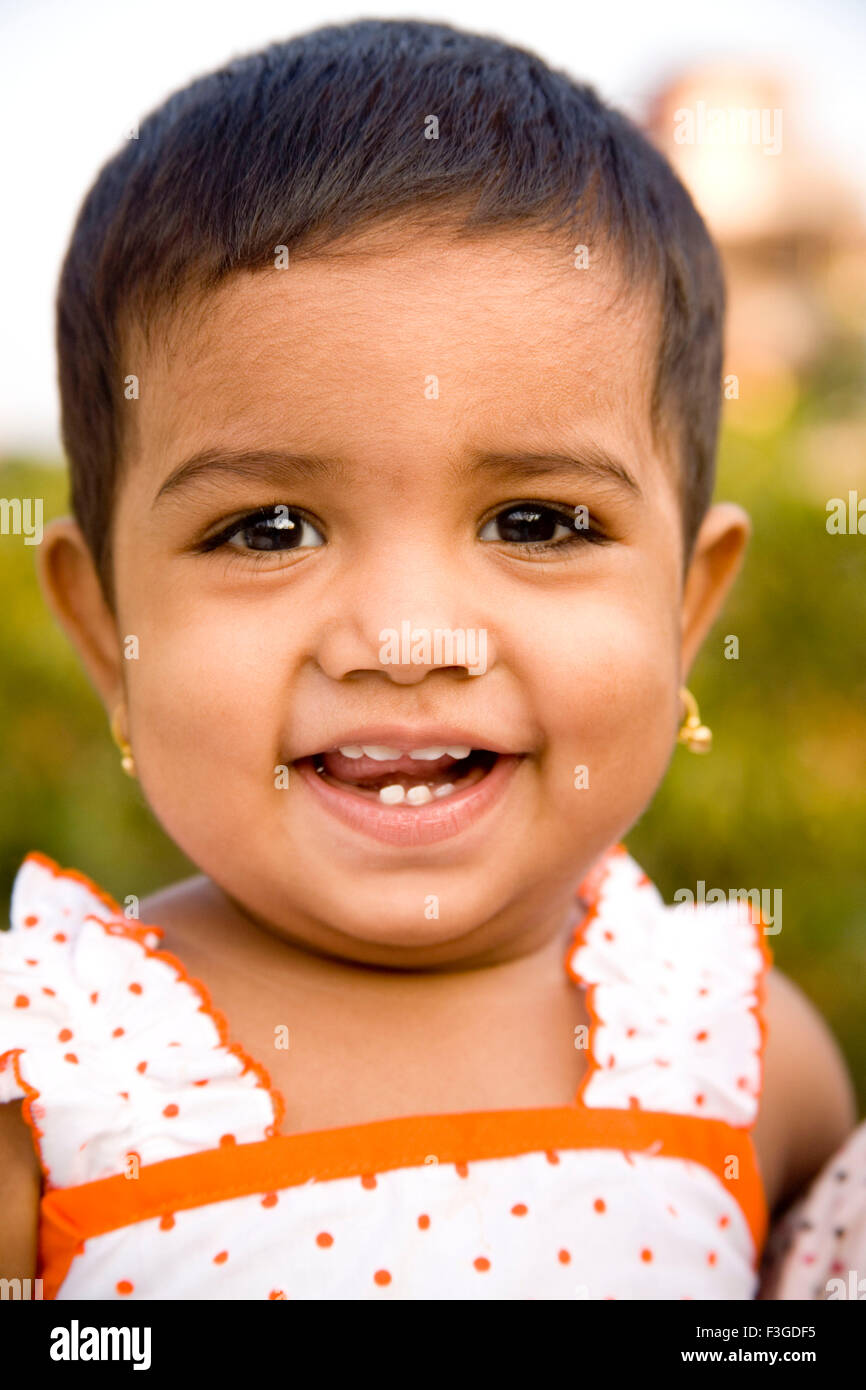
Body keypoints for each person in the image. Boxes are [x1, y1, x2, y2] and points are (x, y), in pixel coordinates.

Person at [0, 18, 856, 1300]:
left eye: (536, 521)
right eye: (269, 528)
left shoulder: (741, 1060)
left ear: (686, 612)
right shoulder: (53, 1083)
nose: (407, 636)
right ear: (101, 631)